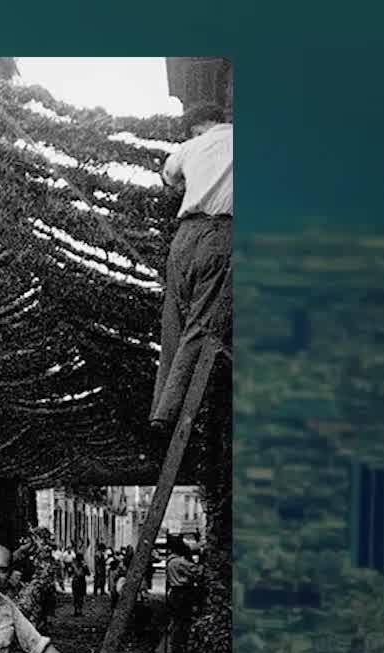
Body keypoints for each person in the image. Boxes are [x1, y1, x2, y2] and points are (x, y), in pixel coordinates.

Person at [151, 104, 233, 459]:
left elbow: (169, 178)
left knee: (175, 320)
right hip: (222, 233)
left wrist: (193, 178)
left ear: (198, 127)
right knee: (202, 324)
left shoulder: (188, 148)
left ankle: (159, 411)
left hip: (184, 237)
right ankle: (171, 411)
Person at [164, 537, 204, 653]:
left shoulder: (170, 560)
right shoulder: (179, 562)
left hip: (174, 592)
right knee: (182, 624)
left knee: (177, 623)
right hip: (182, 593)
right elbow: (197, 572)